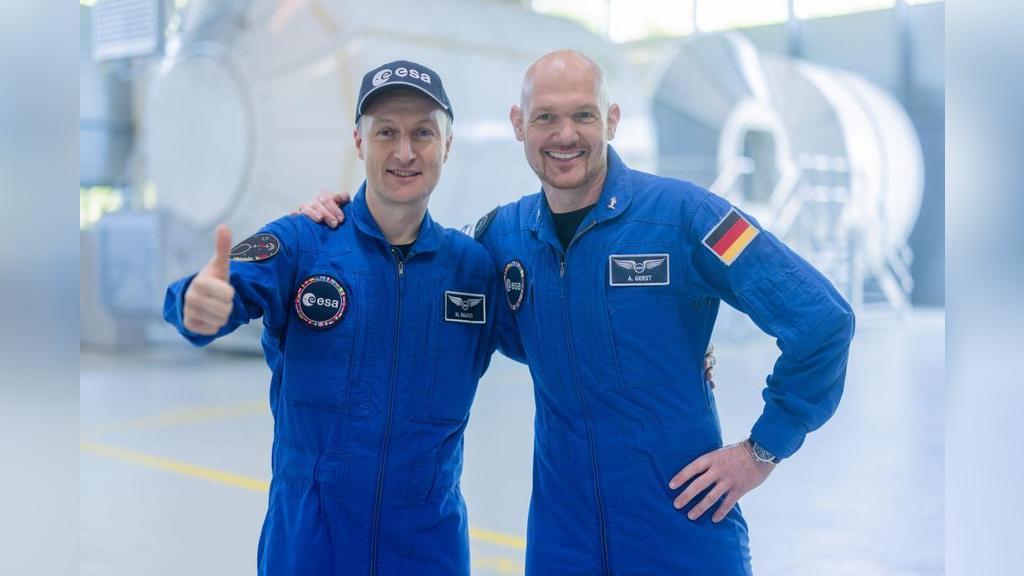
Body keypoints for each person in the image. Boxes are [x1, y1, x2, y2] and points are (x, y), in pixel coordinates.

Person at [300, 49, 856, 575]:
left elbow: (822, 319)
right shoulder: (501, 236)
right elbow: (418, 267)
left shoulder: (687, 216)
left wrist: (762, 450)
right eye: (546, 117)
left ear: (611, 120)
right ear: (519, 125)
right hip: (563, 540)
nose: (564, 136)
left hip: (683, 526)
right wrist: (337, 221)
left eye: (583, 115)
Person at [163, 60, 507, 576]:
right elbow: (218, 290)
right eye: (385, 132)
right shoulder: (303, 241)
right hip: (310, 541)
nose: (405, 152)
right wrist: (195, 302)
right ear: (358, 141)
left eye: (423, 133)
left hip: (427, 544)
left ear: (448, 146)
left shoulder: (474, 270)